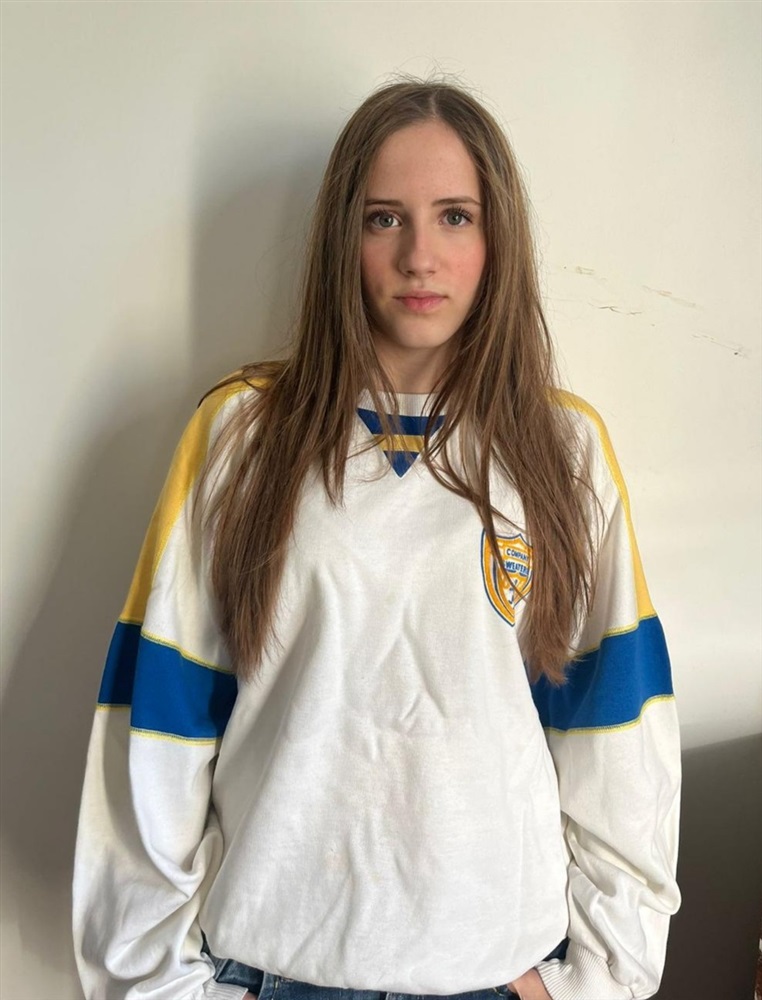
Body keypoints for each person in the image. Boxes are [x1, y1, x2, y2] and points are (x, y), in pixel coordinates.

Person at [73, 79, 681, 1000]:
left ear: (497, 240)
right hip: (270, 969)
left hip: (495, 975)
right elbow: (155, 723)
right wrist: (154, 984)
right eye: (384, 218)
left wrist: (597, 980)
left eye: (455, 217)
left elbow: (618, 734)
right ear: (341, 238)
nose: (419, 256)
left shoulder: (563, 449)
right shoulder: (242, 436)